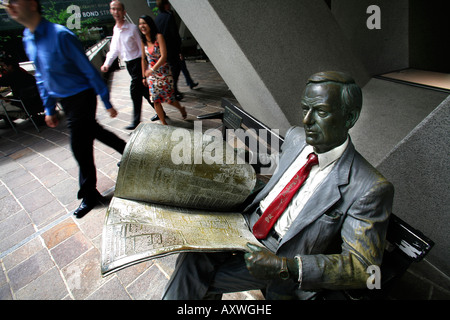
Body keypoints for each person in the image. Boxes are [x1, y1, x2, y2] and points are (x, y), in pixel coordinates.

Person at [162, 71, 394, 300]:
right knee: (193, 255)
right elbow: (273, 172)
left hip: (280, 254)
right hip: (245, 223)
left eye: (321, 112)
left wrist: (288, 267)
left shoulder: (369, 187)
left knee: (191, 274)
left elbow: (364, 269)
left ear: (350, 118)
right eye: (305, 109)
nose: (306, 120)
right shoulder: (296, 138)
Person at [5, 0, 127, 218]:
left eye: (14, 1)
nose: (9, 5)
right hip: (65, 101)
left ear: (32, 4)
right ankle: (129, 152)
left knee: (79, 145)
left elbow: (89, 71)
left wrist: (107, 102)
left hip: (82, 96)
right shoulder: (28, 38)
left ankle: (89, 195)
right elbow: (42, 77)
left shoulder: (61, 35)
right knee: (94, 132)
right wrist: (49, 107)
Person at [101, 0, 155, 130]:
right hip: (129, 65)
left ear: (124, 12)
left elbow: (142, 48)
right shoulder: (116, 30)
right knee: (145, 92)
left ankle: (136, 121)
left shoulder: (132, 28)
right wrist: (106, 63)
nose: (116, 12)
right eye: (113, 9)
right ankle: (160, 111)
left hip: (138, 63)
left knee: (134, 91)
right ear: (111, 11)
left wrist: (146, 67)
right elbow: (114, 49)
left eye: (118, 9)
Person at [139, 15, 187, 125]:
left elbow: (164, 56)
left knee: (169, 99)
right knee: (155, 100)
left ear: (150, 24)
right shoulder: (143, 41)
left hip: (164, 72)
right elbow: (143, 59)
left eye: (144, 23)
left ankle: (181, 109)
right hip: (152, 76)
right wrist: (144, 76)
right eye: (140, 24)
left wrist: (152, 69)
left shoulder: (158, 36)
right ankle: (164, 124)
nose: (142, 26)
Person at [155, 0, 185, 101]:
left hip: (162, 49)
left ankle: (171, 90)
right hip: (171, 49)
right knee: (175, 69)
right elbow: (174, 35)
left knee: (168, 71)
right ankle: (173, 91)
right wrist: (179, 50)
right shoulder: (169, 16)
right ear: (165, 5)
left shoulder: (157, 18)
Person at [0, 52, 43, 120]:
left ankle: (24, 115)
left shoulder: (10, 76)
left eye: (5, 66)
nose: (4, 68)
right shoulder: (25, 74)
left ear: (10, 66)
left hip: (23, 103)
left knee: (1, 108)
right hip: (38, 102)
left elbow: (2, 82)